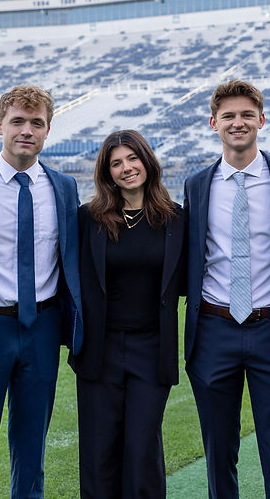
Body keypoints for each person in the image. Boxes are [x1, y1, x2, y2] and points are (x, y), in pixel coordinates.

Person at [183, 80, 270, 499]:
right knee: (218, 446)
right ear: (213, 123)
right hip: (213, 327)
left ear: (261, 119)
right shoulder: (197, 184)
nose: (237, 123)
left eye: (246, 115)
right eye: (228, 116)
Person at [0, 85, 83, 499]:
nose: (26, 131)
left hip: (42, 326)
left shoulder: (63, 186)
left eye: (37, 123)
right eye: (17, 121)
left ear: (48, 130)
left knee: (33, 443)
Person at [71, 129, 187, 498]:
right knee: (99, 453)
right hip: (100, 349)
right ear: (107, 173)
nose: (127, 168)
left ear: (147, 161)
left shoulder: (176, 219)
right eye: (116, 163)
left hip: (151, 350)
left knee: (141, 452)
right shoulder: (88, 219)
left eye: (132, 158)